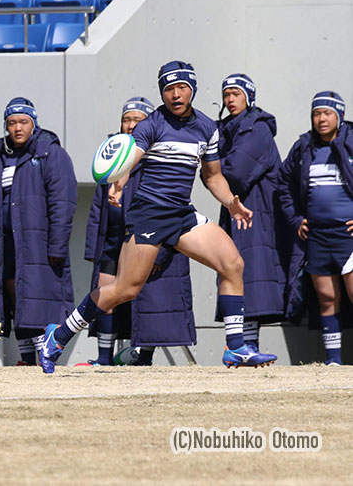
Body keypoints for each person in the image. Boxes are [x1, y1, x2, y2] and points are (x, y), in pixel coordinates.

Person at [39, 60, 277, 373]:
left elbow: (213, 176)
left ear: (192, 89)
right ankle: (59, 335)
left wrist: (232, 202)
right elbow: (130, 157)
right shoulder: (150, 124)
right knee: (125, 290)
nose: (176, 95)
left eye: (181, 88)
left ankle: (236, 348)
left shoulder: (207, 128)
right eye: (168, 89)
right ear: (162, 93)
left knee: (233, 263)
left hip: (181, 214)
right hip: (149, 215)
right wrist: (119, 183)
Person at [82, 97, 195, 366]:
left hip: (147, 239)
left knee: (147, 300)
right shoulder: (112, 154)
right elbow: (97, 208)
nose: (131, 125)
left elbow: (173, 208)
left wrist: (163, 252)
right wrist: (91, 249)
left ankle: (143, 358)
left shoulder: (161, 156)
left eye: (137, 120)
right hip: (111, 239)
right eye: (126, 119)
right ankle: (103, 358)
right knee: (104, 292)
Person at [0, 97, 77, 365]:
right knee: (15, 302)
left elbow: (63, 203)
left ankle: (44, 355)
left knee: (38, 303)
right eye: (12, 123)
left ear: (34, 123)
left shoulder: (51, 154)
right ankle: (26, 359)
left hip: (38, 244)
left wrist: (57, 245)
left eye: (24, 121)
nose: (18, 128)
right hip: (8, 246)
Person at [277, 91, 353, 366]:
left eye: (327, 113)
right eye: (316, 114)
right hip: (317, 235)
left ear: (339, 116)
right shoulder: (303, 146)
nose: (321, 119)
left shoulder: (351, 141)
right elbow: (282, 182)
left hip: (348, 236)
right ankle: (334, 362)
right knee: (326, 298)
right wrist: (296, 219)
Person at [216, 74, 286, 350]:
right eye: (226, 94)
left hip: (256, 216)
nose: (230, 99)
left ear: (249, 96)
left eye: (236, 93)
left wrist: (211, 166)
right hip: (240, 214)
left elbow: (234, 173)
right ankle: (244, 347)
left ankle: (247, 347)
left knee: (248, 277)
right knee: (239, 273)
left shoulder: (256, 129)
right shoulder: (231, 129)